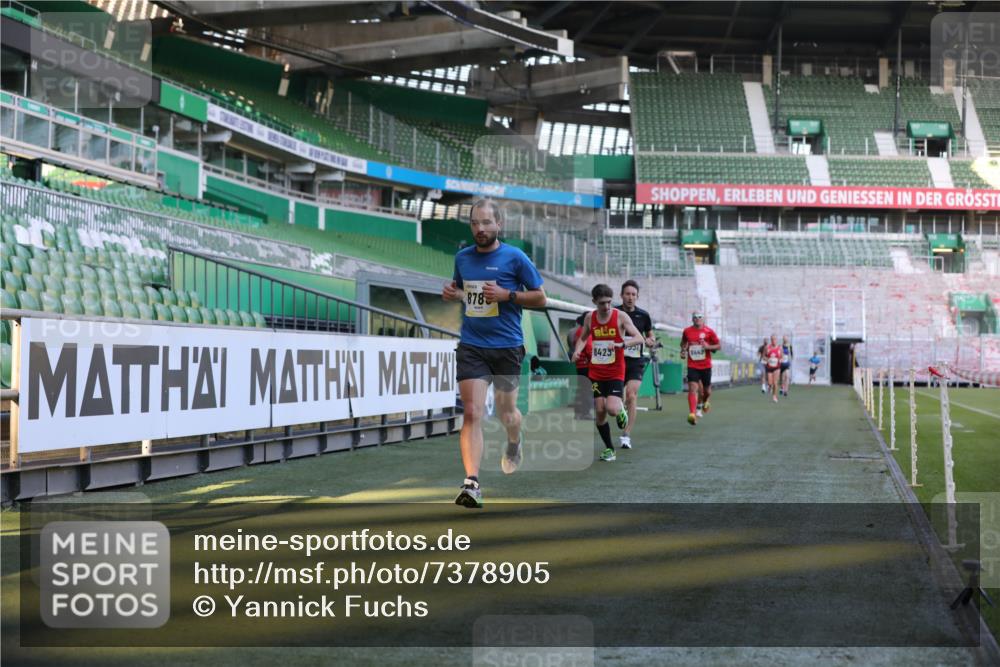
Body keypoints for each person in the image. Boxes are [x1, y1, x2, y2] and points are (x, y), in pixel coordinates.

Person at [442, 198, 546, 509]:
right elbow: (466, 293)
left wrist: (507, 295)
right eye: (475, 223)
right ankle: (471, 483)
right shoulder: (462, 258)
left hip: (507, 347)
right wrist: (453, 294)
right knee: (473, 412)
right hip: (473, 345)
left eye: (486, 223)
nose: (480, 228)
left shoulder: (515, 257)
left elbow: (541, 298)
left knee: (506, 413)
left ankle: (514, 440)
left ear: (498, 224)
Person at [571, 284, 644, 463]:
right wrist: (577, 350)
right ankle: (609, 449)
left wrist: (622, 345)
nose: (606, 307)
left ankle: (621, 412)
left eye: (609, 302)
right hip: (596, 372)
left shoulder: (621, 317)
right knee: (600, 411)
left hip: (615, 371)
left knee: (612, 409)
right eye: (602, 303)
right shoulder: (590, 317)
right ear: (594, 302)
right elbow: (583, 337)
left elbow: (639, 338)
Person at [616, 280, 656, 449]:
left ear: (637, 296)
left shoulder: (643, 315)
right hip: (616, 361)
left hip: (635, 361)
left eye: (633, 294)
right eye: (627, 294)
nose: (630, 297)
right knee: (617, 398)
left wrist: (650, 341)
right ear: (621, 295)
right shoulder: (614, 313)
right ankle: (620, 411)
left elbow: (651, 336)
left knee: (631, 395)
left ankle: (626, 434)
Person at [680, 312, 721, 426]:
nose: (697, 319)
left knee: (706, 391)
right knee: (693, 388)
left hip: (706, 366)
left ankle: (706, 401)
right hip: (692, 365)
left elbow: (718, 346)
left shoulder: (709, 331)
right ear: (692, 319)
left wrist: (708, 346)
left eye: (699, 317)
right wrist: (683, 351)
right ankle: (692, 414)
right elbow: (683, 343)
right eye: (695, 317)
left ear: (703, 319)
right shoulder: (687, 331)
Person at [570, 313, 594, 420]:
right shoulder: (585, 331)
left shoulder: (578, 330)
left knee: (582, 389)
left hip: (580, 364)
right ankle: (585, 413)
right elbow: (589, 347)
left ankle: (578, 413)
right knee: (587, 390)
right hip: (586, 364)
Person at [764, 334, 783, 403]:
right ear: (770, 340)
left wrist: (780, 360)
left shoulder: (780, 348)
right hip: (769, 367)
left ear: (776, 340)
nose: (773, 341)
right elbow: (764, 357)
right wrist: (767, 359)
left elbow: (782, 357)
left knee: (775, 382)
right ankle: (769, 386)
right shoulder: (767, 348)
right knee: (769, 383)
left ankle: (774, 396)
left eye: (774, 339)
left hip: (777, 367)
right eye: (772, 339)